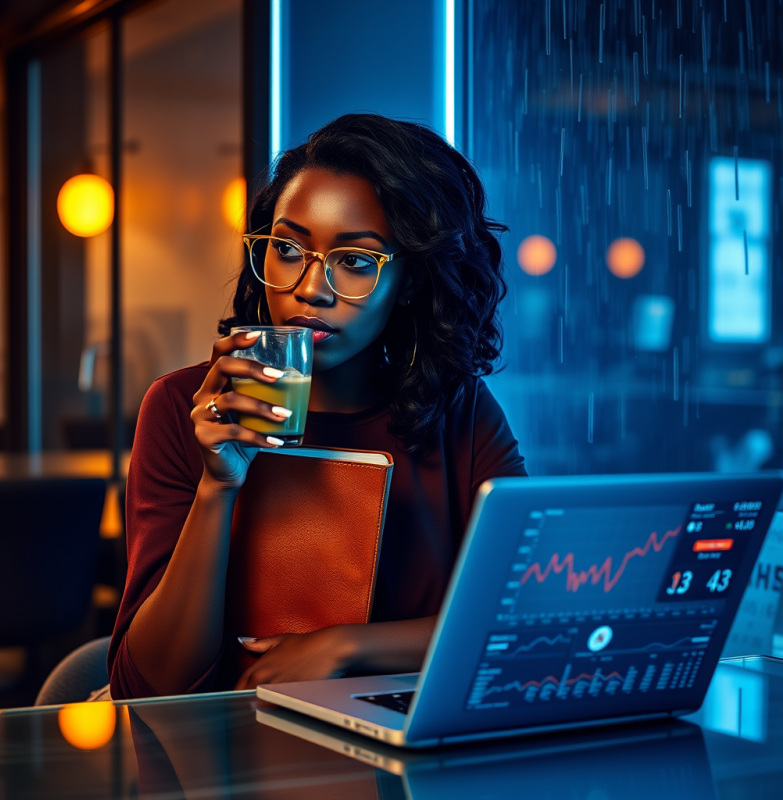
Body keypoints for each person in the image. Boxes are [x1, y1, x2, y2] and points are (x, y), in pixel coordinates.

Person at [107, 113, 528, 700]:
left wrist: (344, 645)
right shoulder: (185, 407)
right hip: (222, 755)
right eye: (287, 248)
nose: (310, 288)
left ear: (409, 282)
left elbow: (522, 619)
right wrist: (217, 488)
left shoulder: (457, 413)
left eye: (355, 260)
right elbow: (148, 686)